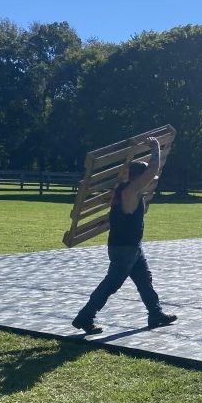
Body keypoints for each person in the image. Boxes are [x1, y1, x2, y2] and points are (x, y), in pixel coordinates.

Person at [72, 137, 177, 334]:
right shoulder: (130, 190)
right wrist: (156, 148)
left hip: (132, 247)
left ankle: (155, 313)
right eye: (145, 178)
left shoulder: (125, 190)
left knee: (144, 281)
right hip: (124, 249)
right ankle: (85, 317)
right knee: (111, 284)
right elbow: (152, 170)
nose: (149, 180)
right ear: (138, 178)